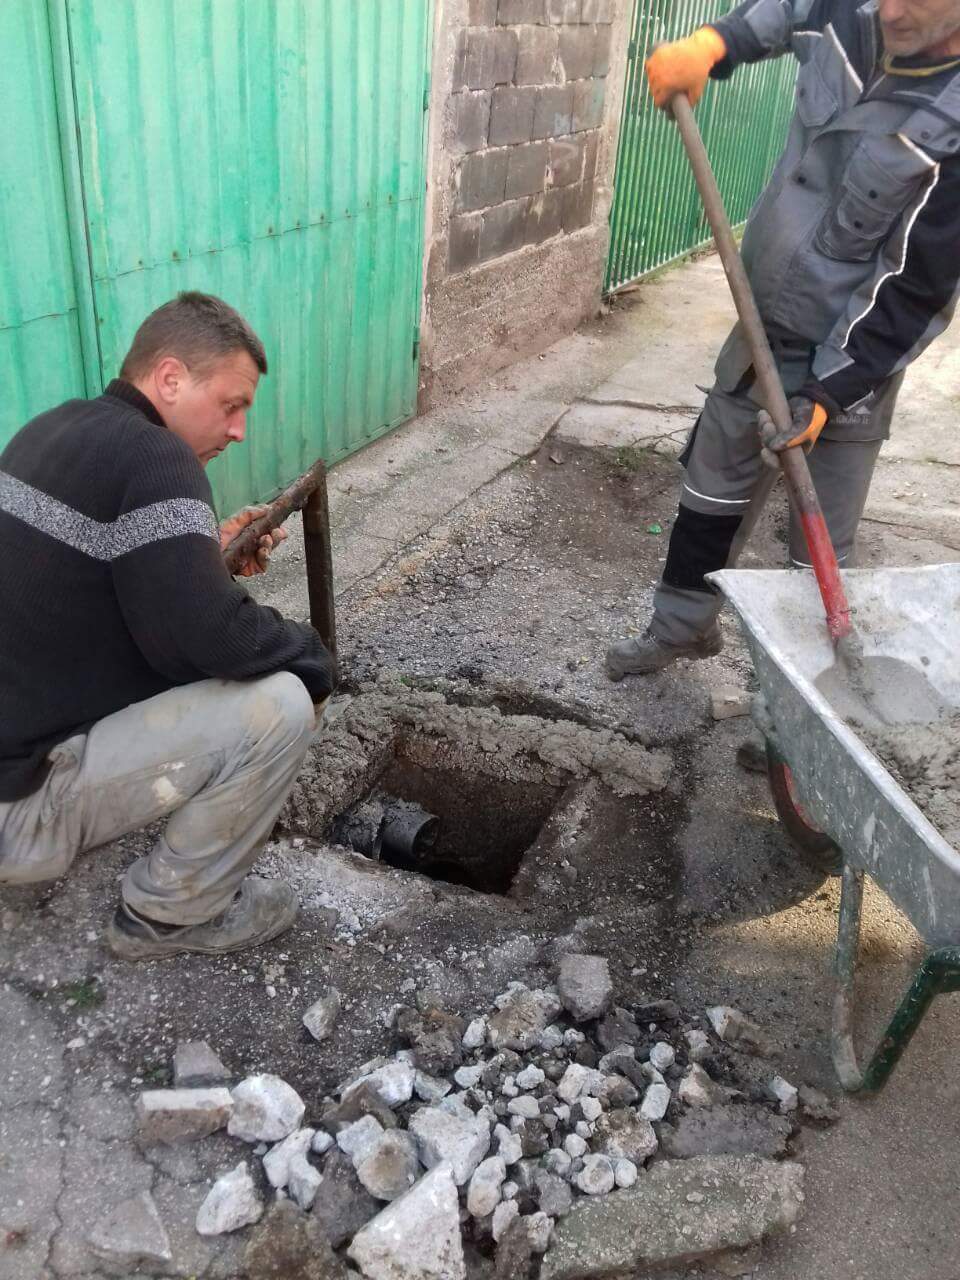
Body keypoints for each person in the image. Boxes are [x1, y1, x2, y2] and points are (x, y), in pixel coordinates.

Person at [606, 0, 960, 680]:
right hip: (762, 326)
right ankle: (680, 630)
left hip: (851, 360)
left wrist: (831, 392)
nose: (890, 10)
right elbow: (787, 10)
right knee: (709, 500)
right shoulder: (850, 13)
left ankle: (804, 695)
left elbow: (915, 287)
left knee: (818, 544)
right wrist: (715, 43)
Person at [0, 292, 337, 959]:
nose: (239, 430)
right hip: (20, 813)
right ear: (171, 378)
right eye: (232, 405)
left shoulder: (49, 429)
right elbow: (206, 637)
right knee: (282, 702)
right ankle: (171, 915)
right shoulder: (159, 459)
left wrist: (202, 559)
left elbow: (98, 589)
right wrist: (313, 657)